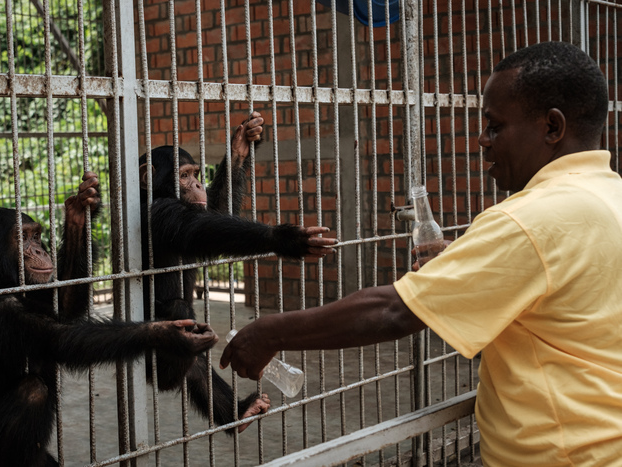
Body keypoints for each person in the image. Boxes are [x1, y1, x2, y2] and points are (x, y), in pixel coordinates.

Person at [220, 41, 622, 466]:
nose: (482, 140)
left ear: (552, 128)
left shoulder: (528, 220)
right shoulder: (607, 195)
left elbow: (394, 311)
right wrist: (473, 263)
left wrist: (269, 333)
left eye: (495, 125)